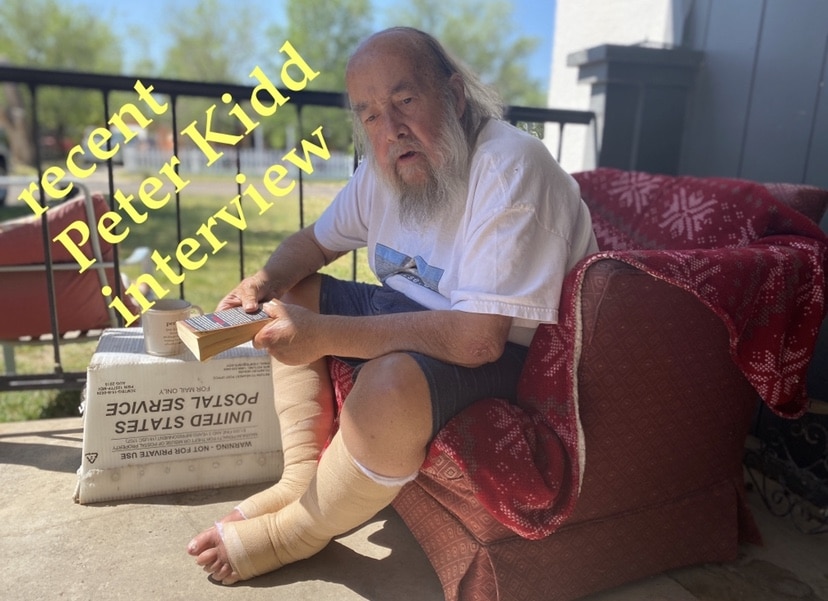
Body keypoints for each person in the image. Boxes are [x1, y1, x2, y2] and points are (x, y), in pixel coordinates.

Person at [187, 25, 598, 585]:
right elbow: (313, 243)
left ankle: (299, 530)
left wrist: (323, 334)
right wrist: (262, 281)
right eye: (371, 115)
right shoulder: (385, 168)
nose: (391, 129)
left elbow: (480, 339)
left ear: (453, 96)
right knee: (296, 289)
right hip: (425, 315)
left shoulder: (510, 165)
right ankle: (298, 477)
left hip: (508, 351)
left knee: (390, 384)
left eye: (405, 101)